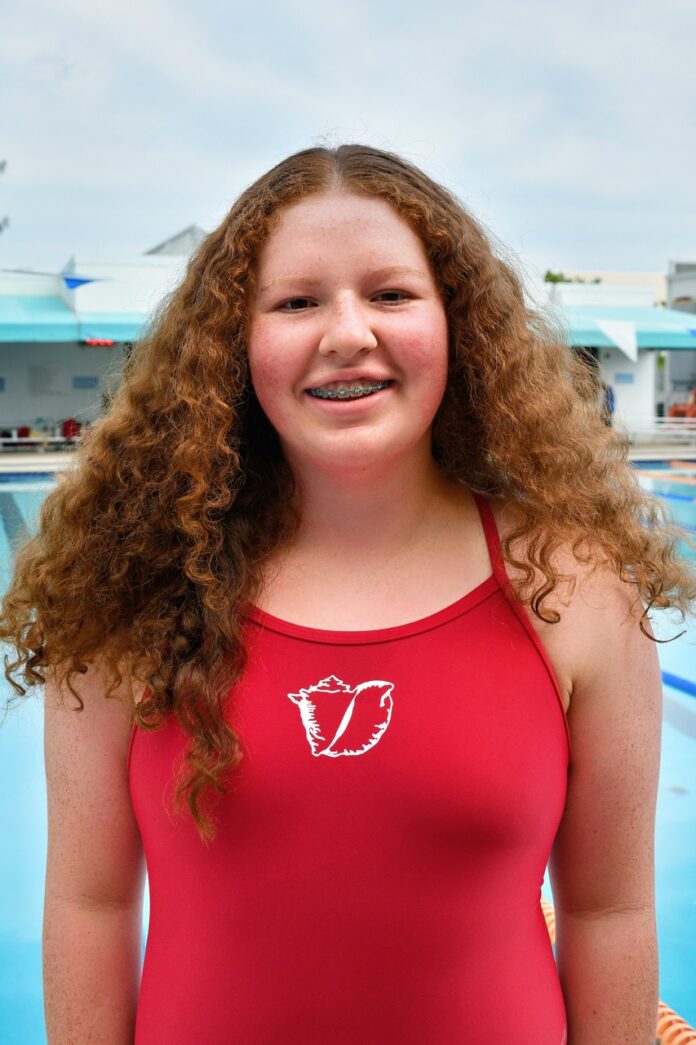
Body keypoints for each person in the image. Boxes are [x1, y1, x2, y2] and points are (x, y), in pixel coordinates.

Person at [2, 144, 695, 1045]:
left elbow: (608, 911)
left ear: (457, 322)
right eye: (296, 302)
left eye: (391, 294)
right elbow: (90, 902)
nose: (347, 333)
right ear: (235, 340)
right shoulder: (136, 583)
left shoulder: (572, 586)